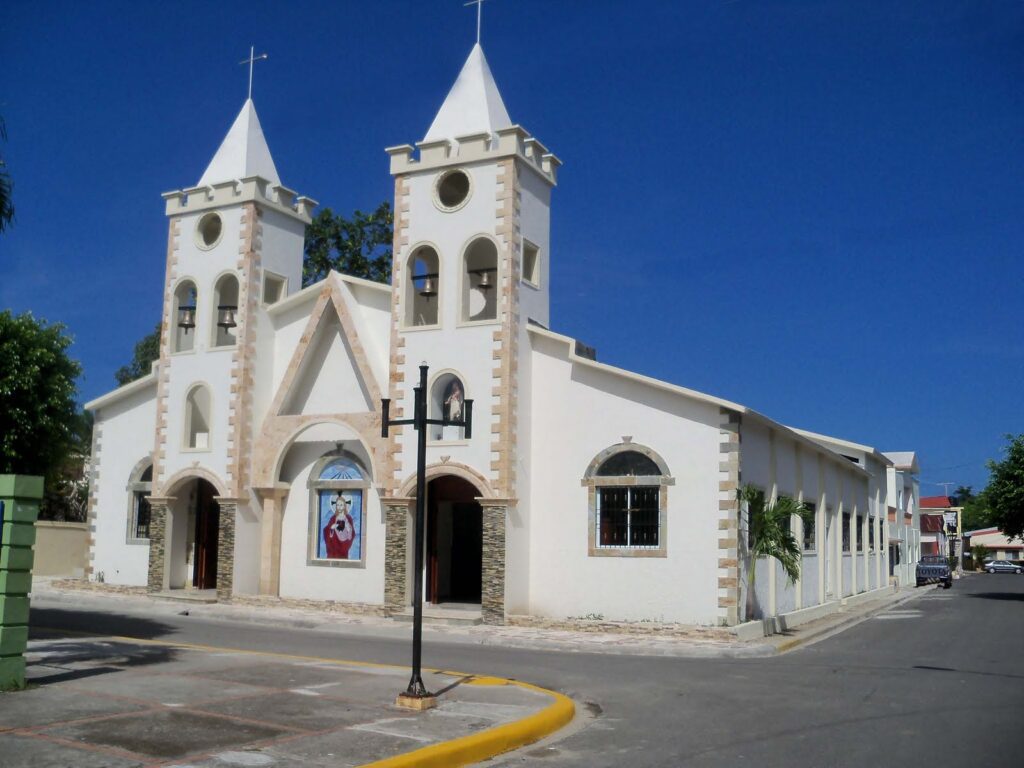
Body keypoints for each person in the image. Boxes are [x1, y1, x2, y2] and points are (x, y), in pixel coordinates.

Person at [323, 493, 356, 559]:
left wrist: (349, 529)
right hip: (333, 550)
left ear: (344, 506)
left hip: (344, 549)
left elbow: (351, 535)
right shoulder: (333, 518)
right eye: (337, 505)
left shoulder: (348, 518)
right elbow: (326, 531)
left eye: (341, 505)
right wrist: (331, 528)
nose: (339, 507)